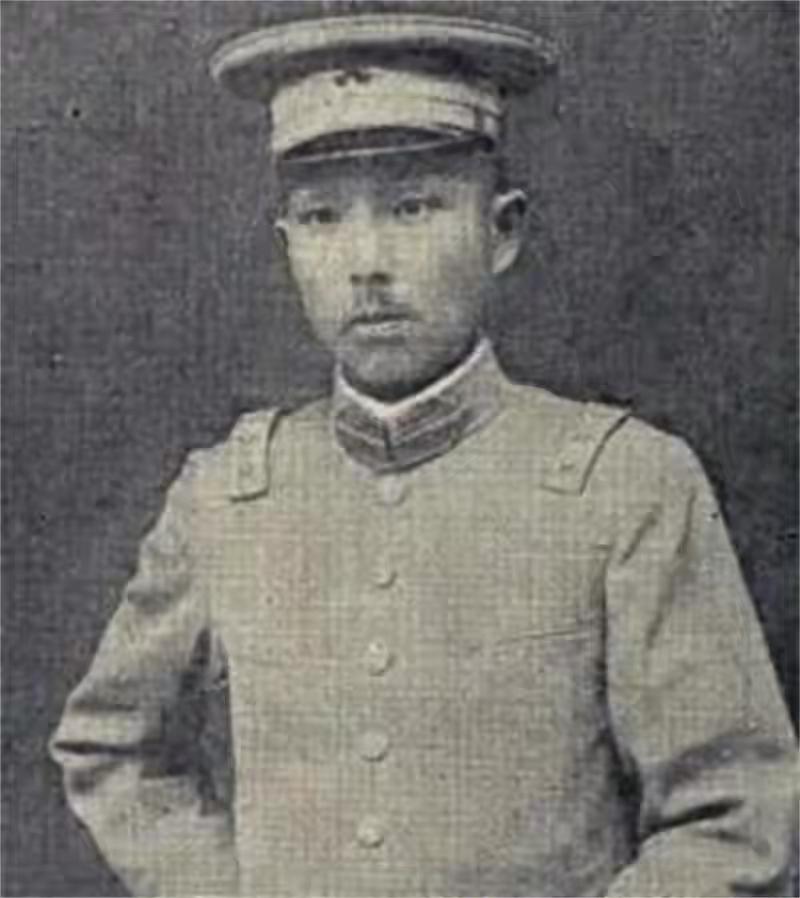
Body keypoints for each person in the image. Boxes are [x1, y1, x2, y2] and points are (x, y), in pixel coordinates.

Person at [50, 13, 797, 897]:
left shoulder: (626, 486)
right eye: (323, 217)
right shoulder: (224, 497)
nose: (368, 262)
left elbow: (734, 818)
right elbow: (109, 749)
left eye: (413, 208)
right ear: (287, 246)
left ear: (501, 230)